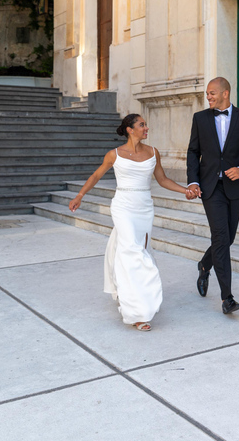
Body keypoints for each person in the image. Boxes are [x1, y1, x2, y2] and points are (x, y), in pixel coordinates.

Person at [69, 114, 197, 331]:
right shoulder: (114, 154)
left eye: (145, 124)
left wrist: (185, 190)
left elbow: (162, 179)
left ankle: (135, 295)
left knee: (140, 250)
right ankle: (137, 312)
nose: (146, 128)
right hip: (123, 206)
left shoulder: (152, 152)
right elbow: (95, 176)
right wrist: (80, 195)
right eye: (142, 125)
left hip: (144, 207)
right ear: (130, 129)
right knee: (132, 252)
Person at [187, 77, 239, 314]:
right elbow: (193, 151)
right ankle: (227, 298)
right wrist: (193, 181)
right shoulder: (200, 118)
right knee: (220, 237)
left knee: (227, 238)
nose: (208, 97)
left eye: (211, 93)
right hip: (211, 188)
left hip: (236, 187)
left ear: (225, 93)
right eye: (207, 94)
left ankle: (204, 264)